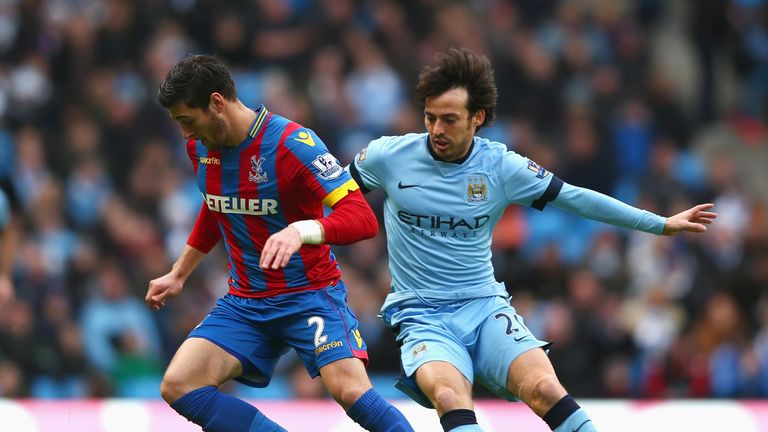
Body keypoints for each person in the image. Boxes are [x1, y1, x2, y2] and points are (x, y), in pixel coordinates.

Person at [347, 48, 717, 432]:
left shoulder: (501, 166)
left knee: (544, 387)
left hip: (483, 305)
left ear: (477, 118)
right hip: (421, 314)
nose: (437, 130)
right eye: (430, 118)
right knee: (448, 395)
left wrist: (659, 223)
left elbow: (576, 197)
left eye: (450, 120)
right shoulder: (388, 156)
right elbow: (328, 193)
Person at [146, 54, 413, 432]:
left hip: (309, 295)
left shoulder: (293, 144)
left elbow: (362, 218)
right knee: (179, 385)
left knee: (350, 391)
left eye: (188, 120)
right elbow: (218, 206)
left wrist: (301, 230)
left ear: (217, 103)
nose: (186, 135)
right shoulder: (201, 148)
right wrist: (179, 273)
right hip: (247, 303)